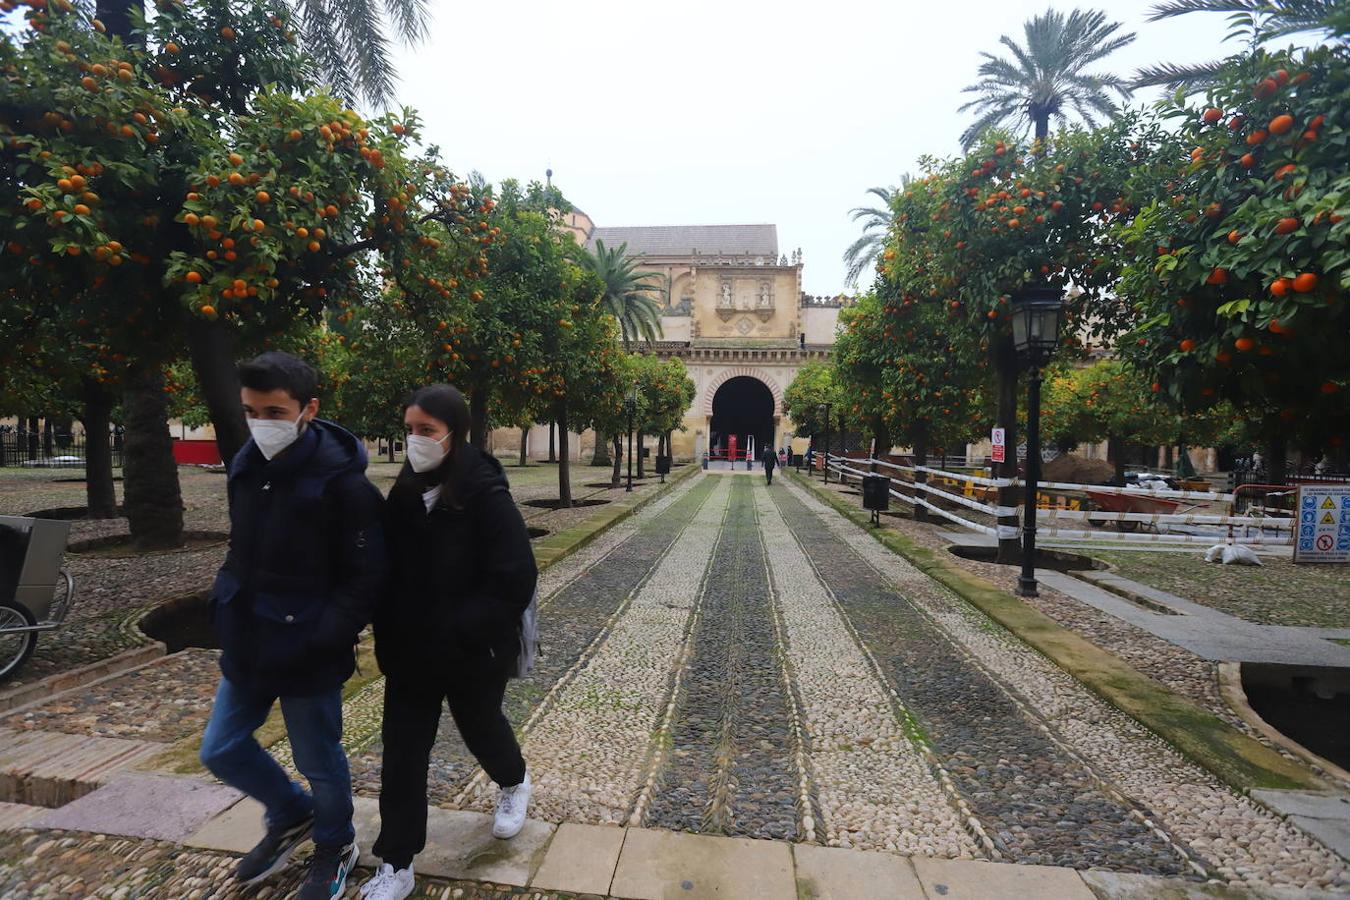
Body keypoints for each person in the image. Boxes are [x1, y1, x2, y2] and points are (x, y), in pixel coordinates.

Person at [199, 352, 385, 899]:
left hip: (309, 646)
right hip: (249, 635)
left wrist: (327, 632)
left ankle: (336, 843)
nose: (262, 423)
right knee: (220, 748)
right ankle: (291, 813)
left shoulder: (344, 485)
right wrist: (224, 600)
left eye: (275, 411)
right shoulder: (246, 462)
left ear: (309, 410)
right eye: (252, 411)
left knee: (319, 761)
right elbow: (242, 544)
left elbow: (368, 576)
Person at [360, 385, 537, 900]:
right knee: (403, 753)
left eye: (426, 431)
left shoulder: (486, 491)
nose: (416, 440)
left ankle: (513, 781)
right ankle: (396, 860)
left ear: (455, 435)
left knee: (481, 729)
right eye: (410, 429)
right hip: (413, 652)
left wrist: (463, 628)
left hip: (471, 650)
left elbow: (515, 576)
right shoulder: (407, 488)